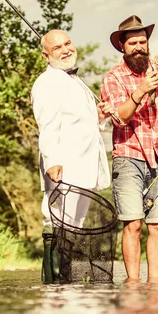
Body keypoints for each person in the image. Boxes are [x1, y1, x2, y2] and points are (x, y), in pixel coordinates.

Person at [101, 15, 158, 281]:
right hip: (128, 157)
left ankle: (155, 283)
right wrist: (140, 90)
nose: (139, 47)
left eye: (143, 42)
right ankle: (132, 282)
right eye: (133, 43)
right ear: (122, 47)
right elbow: (119, 117)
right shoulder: (114, 78)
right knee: (133, 223)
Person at [31, 29, 114, 283]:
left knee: (74, 225)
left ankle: (66, 285)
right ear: (46, 55)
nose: (66, 49)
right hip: (64, 167)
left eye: (68, 43)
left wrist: (101, 116)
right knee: (58, 221)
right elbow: (46, 124)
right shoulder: (47, 83)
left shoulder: (76, 82)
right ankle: (54, 282)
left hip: (85, 167)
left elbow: (84, 123)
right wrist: (53, 160)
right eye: (58, 48)